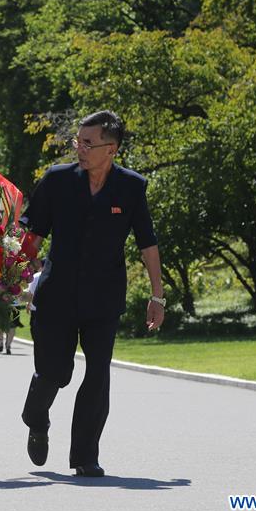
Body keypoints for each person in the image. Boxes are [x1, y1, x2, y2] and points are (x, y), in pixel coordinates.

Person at [19, 110, 164, 477]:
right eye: (77, 142)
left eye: (88, 143)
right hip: (56, 295)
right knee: (54, 372)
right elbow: (31, 237)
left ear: (110, 149)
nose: (80, 149)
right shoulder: (57, 180)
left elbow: (147, 244)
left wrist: (157, 295)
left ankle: (85, 456)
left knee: (98, 373)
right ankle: (36, 418)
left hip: (103, 296)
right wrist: (10, 278)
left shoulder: (132, 187)